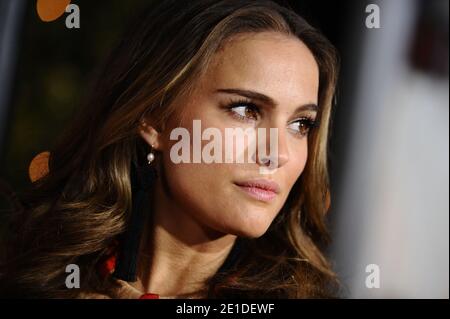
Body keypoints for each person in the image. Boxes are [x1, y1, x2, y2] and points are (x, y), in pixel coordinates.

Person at [0, 0, 339, 298]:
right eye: (245, 110)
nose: (276, 153)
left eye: (300, 125)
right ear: (154, 119)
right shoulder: (33, 270)